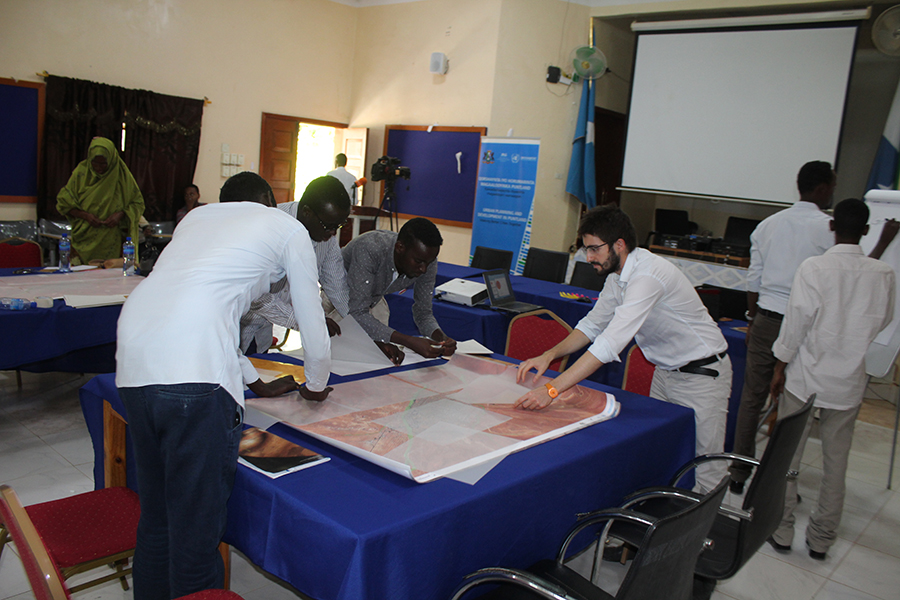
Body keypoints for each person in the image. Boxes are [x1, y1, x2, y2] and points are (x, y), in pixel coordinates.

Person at [115, 172, 332, 599]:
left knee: (158, 520)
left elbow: (202, 309)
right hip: (193, 380)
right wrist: (315, 382)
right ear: (269, 202)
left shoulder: (196, 219)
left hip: (134, 359)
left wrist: (254, 382)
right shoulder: (287, 227)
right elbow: (313, 323)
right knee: (196, 537)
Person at [515, 206, 732, 491]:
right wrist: (549, 355)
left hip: (702, 375)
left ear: (619, 244)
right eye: (586, 249)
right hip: (666, 373)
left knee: (706, 467)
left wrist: (552, 390)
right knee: (666, 453)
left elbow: (608, 344)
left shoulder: (648, 276)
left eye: (594, 249)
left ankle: (707, 520)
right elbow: (592, 325)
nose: (589, 257)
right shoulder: (616, 277)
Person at [729, 162, 899, 493]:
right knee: (793, 406)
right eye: (832, 186)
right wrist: (884, 243)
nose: (833, 192)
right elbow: (856, 270)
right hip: (808, 326)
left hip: (766, 319)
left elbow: (754, 278)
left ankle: (739, 472)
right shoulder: (827, 227)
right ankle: (779, 481)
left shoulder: (768, 224)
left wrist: (751, 319)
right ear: (822, 188)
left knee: (752, 398)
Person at [767, 198, 895, 561]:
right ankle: (822, 538)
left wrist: (780, 366)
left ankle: (782, 528)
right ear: (866, 231)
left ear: (831, 225)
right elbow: (884, 320)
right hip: (848, 382)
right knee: (836, 464)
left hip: (806, 377)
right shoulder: (884, 274)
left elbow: (796, 324)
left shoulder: (814, 268)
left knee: (788, 458)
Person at [239, 176, 351, 354]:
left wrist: (364, 331)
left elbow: (338, 289)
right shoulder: (270, 225)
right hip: (233, 323)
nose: (333, 233)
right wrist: (309, 321)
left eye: (339, 226)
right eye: (329, 226)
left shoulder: (326, 238)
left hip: (261, 332)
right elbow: (256, 296)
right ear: (306, 212)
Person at [342, 217, 456, 365]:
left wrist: (440, 338)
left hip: (373, 300)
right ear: (400, 247)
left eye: (428, 263)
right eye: (418, 262)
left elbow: (423, 313)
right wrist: (408, 341)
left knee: (377, 362)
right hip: (339, 299)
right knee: (343, 359)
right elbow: (357, 312)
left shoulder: (426, 259)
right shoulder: (370, 248)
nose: (424, 269)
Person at [56, 137, 144, 264]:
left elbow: (138, 203)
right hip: (84, 238)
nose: (99, 168)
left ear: (111, 160)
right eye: (95, 163)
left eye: (103, 164)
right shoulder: (81, 173)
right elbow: (63, 203)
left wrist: (120, 214)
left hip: (113, 241)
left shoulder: (121, 175)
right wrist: (86, 216)